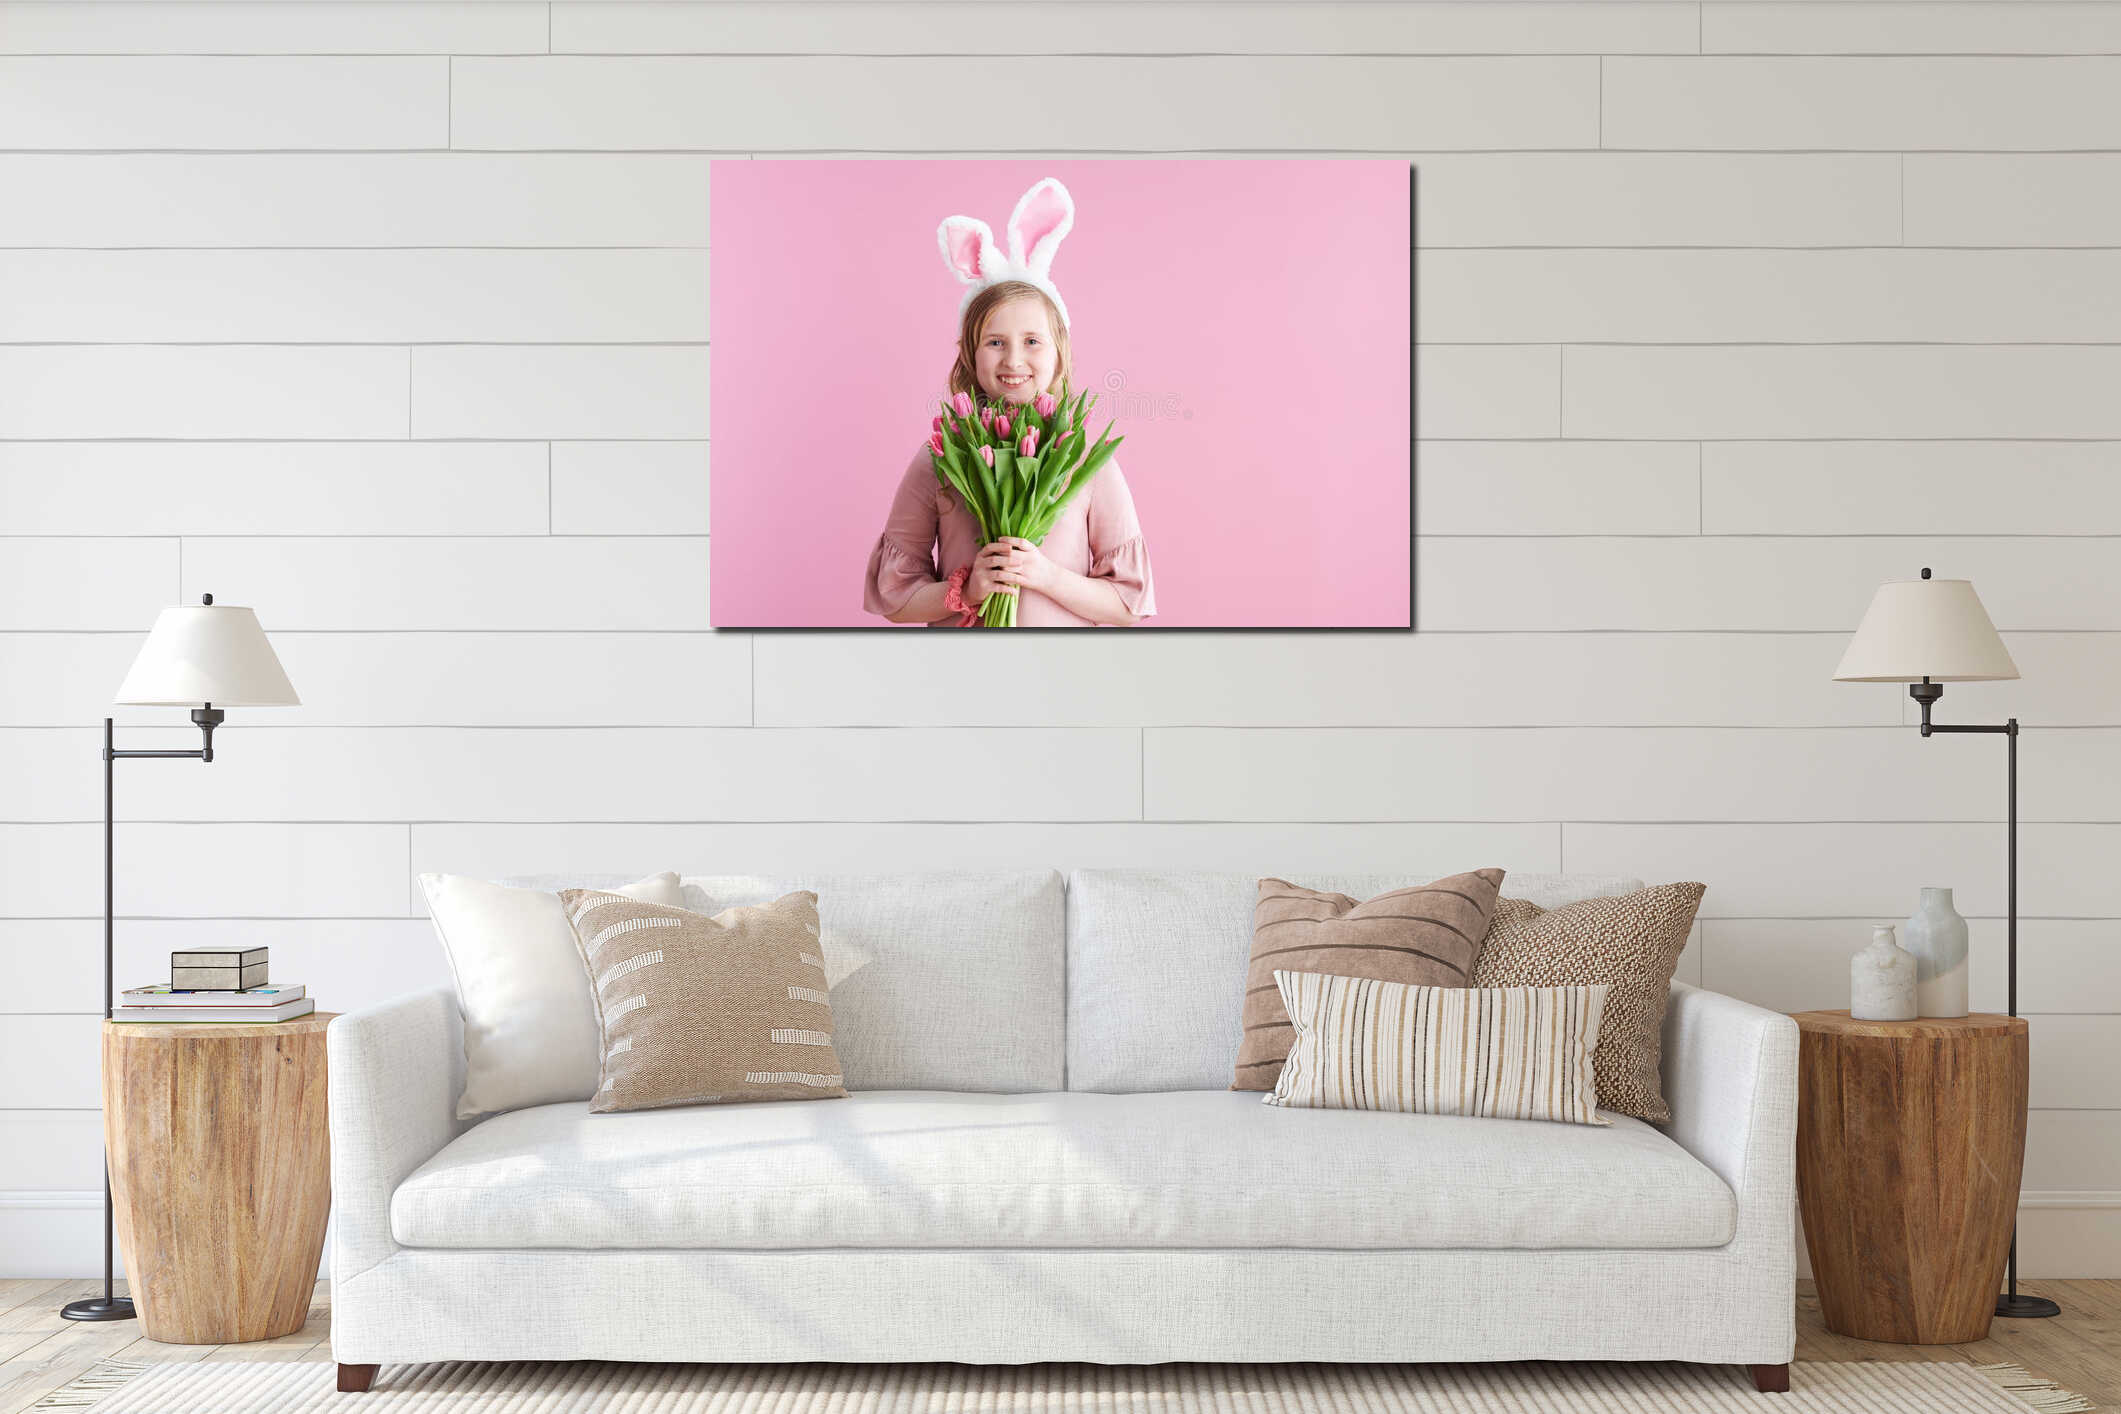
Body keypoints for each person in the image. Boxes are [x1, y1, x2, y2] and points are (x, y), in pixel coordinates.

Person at [863, 178, 1154, 628]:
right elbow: (896, 601)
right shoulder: (940, 458)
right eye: (995, 342)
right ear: (970, 354)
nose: (1014, 360)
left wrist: (1045, 576)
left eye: (1032, 341)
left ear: (1059, 355)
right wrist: (966, 590)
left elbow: (1128, 606)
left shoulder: (1084, 460)